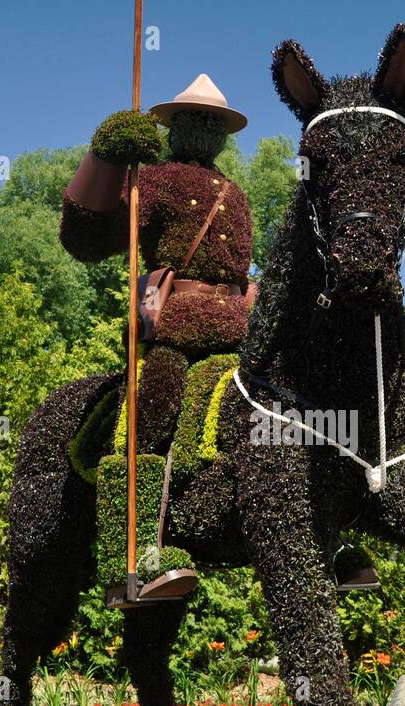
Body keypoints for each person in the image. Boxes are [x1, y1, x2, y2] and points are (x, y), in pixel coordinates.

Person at [60, 75, 254, 603]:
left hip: (236, 331)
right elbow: (86, 239)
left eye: (215, 122)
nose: (205, 130)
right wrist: (107, 158)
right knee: (156, 406)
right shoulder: (156, 179)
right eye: (196, 119)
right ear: (175, 126)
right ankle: (136, 555)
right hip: (173, 331)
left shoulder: (235, 196)